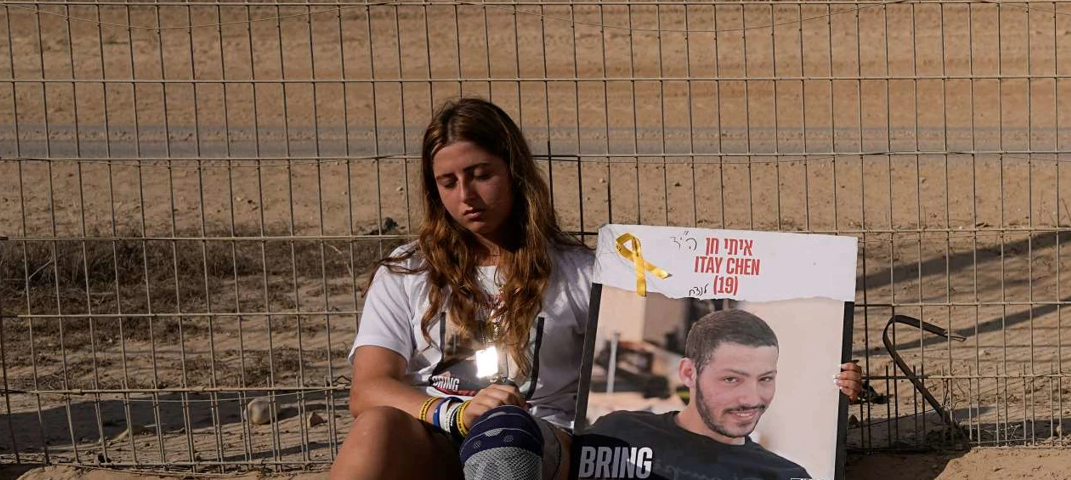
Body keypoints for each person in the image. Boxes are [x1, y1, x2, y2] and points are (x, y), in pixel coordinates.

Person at [332, 98, 597, 480]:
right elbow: (369, 388)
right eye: (448, 182)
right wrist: (452, 414)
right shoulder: (408, 269)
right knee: (377, 426)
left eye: (480, 174)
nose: (466, 196)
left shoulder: (579, 272)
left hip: (537, 440)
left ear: (514, 171)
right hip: (440, 432)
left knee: (504, 436)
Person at [574, 310, 867, 480]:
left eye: (765, 379)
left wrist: (837, 385)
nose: (751, 399)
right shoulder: (619, 434)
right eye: (731, 379)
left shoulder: (785, 474)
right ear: (689, 373)